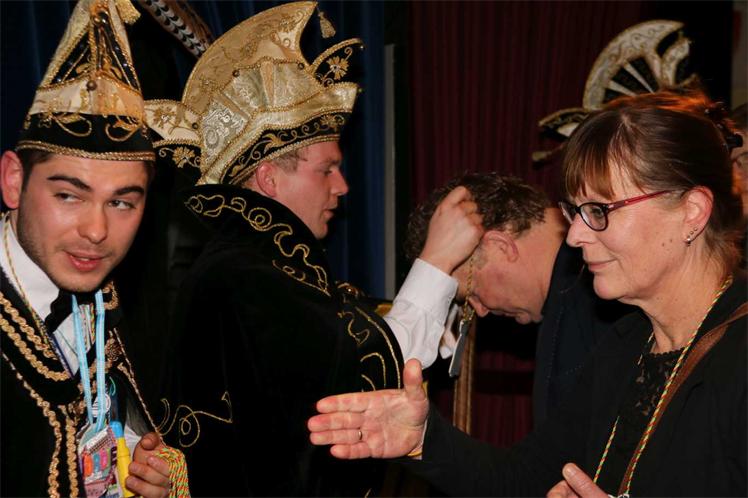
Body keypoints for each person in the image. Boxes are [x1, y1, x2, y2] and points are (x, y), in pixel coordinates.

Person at [308, 89, 747, 497]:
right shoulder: (626, 345)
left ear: (692, 212)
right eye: (575, 212)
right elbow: (527, 478)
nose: (574, 236)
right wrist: (423, 439)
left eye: (599, 210)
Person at [144, 2, 481, 495]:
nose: (342, 186)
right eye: (327, 169)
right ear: (268, 179)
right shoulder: (248, 276)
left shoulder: (254, 265)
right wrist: (435, 263)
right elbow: (351, 394)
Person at [0, 1, 181, 496]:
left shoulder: (108, 300)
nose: (97, 231)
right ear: (13, 181)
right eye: (68, 195)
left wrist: (151, 477)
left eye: (121, 202)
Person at [404, 173, 629, 425]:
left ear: (501, 246)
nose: (480, 311)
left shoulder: (599, 297)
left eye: (472, 292)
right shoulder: (577, 295)